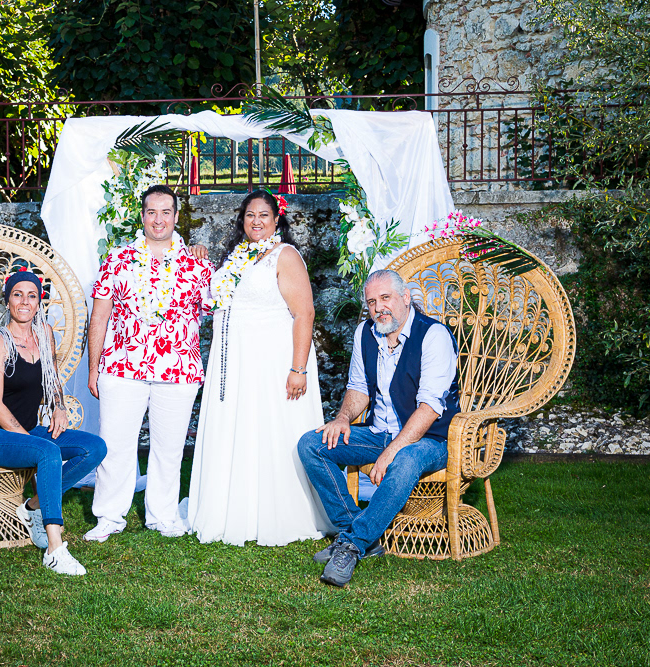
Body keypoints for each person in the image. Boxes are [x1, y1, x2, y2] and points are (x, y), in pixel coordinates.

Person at [184, 190, 333, 546]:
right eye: (250, 215)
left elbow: (304, 314)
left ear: (276, 220)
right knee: (242, 429)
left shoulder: (285, 256)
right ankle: (235, 509)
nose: (256, 221)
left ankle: (278, 513)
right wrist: (198, 258)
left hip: (271, 363)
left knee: (272, 430)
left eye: (263, 215)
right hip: (237, 366)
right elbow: (211, 297)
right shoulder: (237, 256)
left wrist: (298, 368)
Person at [298, 269, 460, 587]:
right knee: (311, 444)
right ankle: (360, 534)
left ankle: (350, 546)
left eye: (385, 298)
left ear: (405, 298)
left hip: (432, 438)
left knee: (405, 459)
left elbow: (429, 409)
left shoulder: (433, 336)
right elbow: (358, 389)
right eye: (372, 302)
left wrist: (392, 450)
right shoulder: (365, 334)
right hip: (378, 432)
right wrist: (343, 418)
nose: (379, 308)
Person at [85, 184, 214, 542]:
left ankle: (162, 515)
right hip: (121, 368)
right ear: (142, 216)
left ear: (176, 216)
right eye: (152, 212)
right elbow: (98, 319)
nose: (159, 219)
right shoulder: (117, 259)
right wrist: (94, 368)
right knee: (115, 444)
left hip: (178, 370)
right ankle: (109, 516)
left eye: (166, 212)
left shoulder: (198, 264)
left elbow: (220, 311)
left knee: (170, 448)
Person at [0, 267, 106, 575]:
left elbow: (52, 379)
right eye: (17, 295)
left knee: (93, 448)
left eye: (31, 295)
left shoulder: (44, 335)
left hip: (26, 429)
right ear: (7, 301)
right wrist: (32, 441)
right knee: (47, 451)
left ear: (39, 302)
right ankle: (55, 549)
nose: (25, 302)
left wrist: (58, 407)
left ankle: (31, 508)